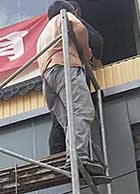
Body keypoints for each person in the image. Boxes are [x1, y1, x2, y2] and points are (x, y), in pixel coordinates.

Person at [37, 0, 103, 173]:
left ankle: (72, 156)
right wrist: (86, 52)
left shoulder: (43, 33)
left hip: (47, 80)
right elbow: (79, 29)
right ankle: (78, 156)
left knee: (67, 121)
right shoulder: (64, 17)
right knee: (83, 111)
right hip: (64, 69)